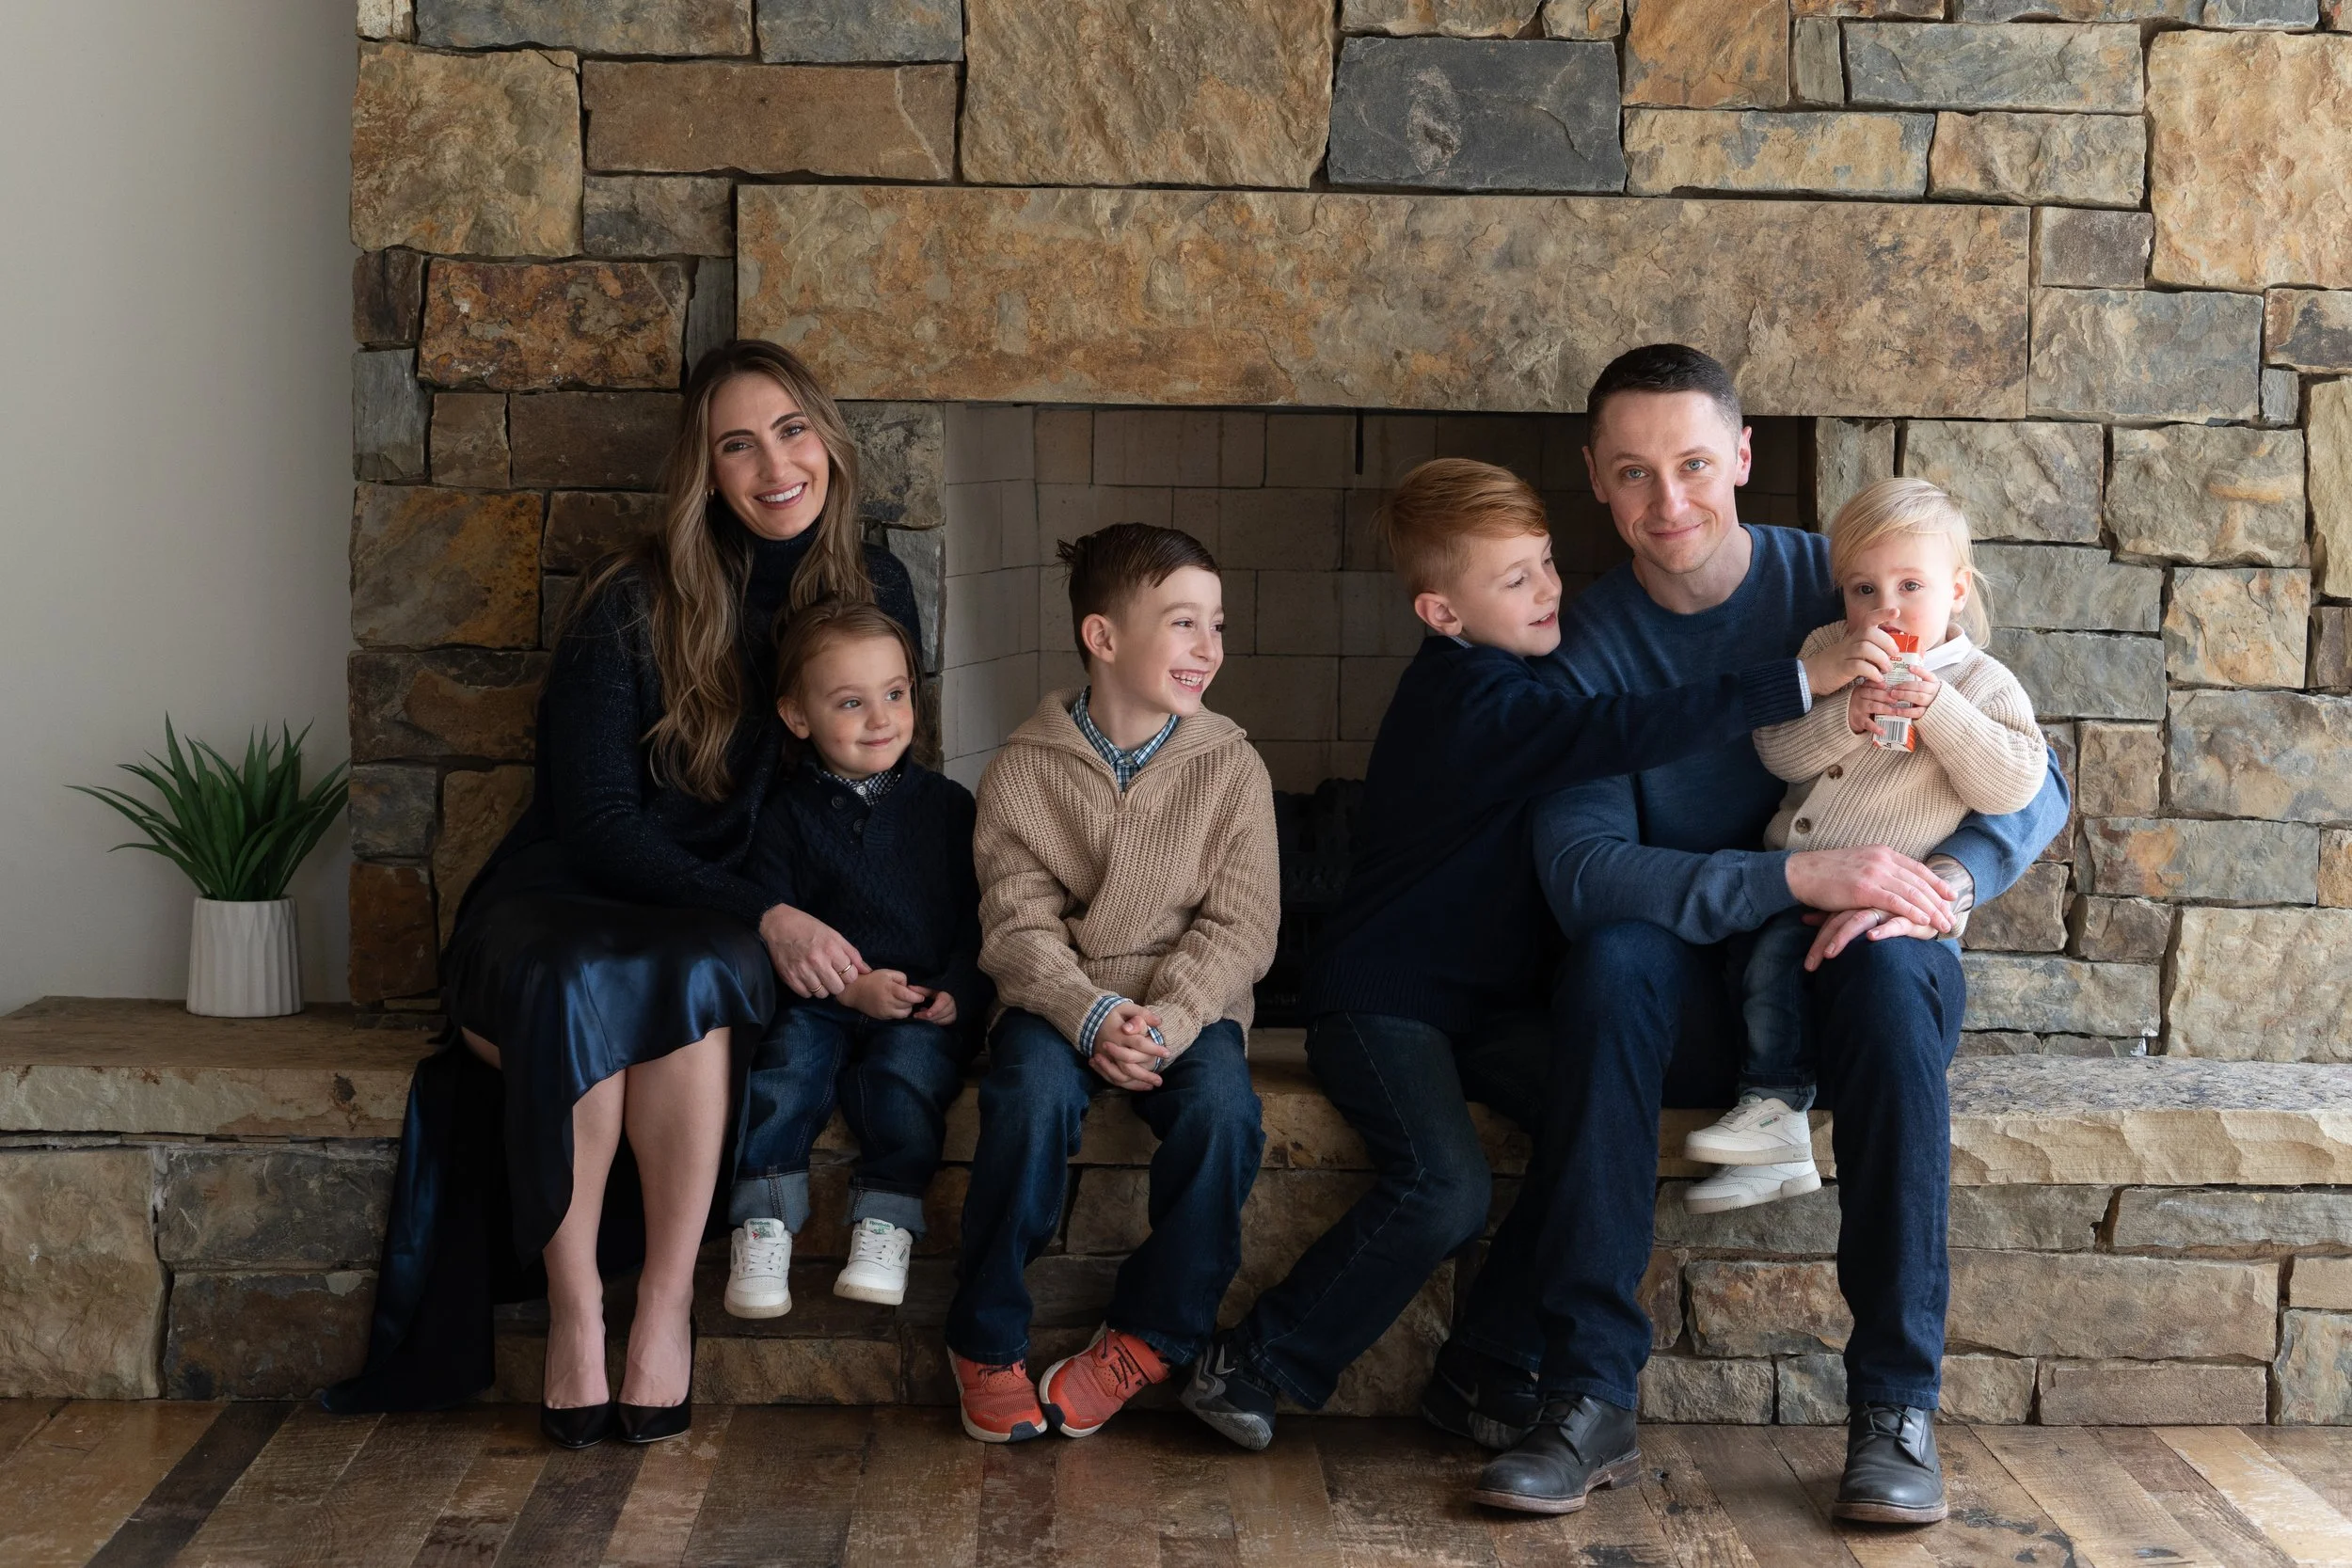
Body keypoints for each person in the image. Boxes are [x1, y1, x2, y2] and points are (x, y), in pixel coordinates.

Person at [1463, 344, 2066, 1524]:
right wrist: (1790, 872)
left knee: (1893, 976)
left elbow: (2030, 779)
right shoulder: (1584, 649)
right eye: (1633, 473)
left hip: (1854, 977)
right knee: (1608, 962)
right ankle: (1584, 1395)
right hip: (1694, 990)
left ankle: (1895, 1408)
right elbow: (1584, 873)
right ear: (1595, 478)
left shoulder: (1841, 576)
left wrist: (1935, 880)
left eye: (1693, 462)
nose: (1668, 501)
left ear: (1742, 455)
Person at [1181, 457, 1861, 1452]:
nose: (1549, 591)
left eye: (1545, 565)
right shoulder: (1474, 700)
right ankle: (1255, 1360)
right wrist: (1797, 681)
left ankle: (1484, 1364)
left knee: (1597, 1139)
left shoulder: (1521, 675)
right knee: (1443, 1186)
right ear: (1441, 611)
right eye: (1514, 581)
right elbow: (1622, 726)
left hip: (1487, 1008)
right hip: (1385, 1002)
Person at [326, 341, 920, 1449]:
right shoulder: (632, 599)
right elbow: (595, 824)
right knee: (583, 979)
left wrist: (852, 937)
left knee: (690, 980)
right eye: (735, 443)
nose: (772, 464)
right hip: (573, 893)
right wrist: (765, 915)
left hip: (730, 912)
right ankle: (572, 1313)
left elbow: (877, 791)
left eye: (790, 430)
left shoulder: (877, 591)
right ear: (703, 470)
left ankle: (660, 1305)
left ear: (827, 442)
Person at [944, 524, 1279, 1445]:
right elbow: (1016, 926)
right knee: (1026, 1096)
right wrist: (1088, 1014)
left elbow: (1240, 926)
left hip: (1187, 1005)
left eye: (1216, 623)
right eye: (1182, 623)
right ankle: (984, 1334)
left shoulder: (1230, 768)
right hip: (1058, 1000)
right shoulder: (1022, 770)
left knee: (1222, 1117)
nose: (1208, 646)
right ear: (1101, 636)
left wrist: (1164, 1023)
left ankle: (1149, 1334)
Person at [1683, 477, 2044, 1214]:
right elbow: (1778, 751)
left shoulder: (1982, 683)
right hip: (1801, 879)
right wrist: (1842, 713)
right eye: (1863, 588)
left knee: (1834, 984)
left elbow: (2013, 784)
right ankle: (1775, 1120)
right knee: (1766, 969)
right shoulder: (1826, 650)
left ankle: (1779, 1112)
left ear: (1955, 588)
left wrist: (1940, 712)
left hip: (1893, 909)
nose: (1886, 608)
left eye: (1911, 584)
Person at [722, 600, 989, 1321]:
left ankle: (886, 1223)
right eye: (851, 701)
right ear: (797, 716)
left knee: (909, 1077)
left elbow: (982, 919)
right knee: (783, 1070)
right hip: (821, 998)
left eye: (895, 694)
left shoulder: (949, 808)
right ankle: (765, 1220)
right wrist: (851, 987)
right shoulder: (784, 814)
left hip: (918, 1001)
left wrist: (957, 991)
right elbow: (772, 923)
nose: (882, 718)